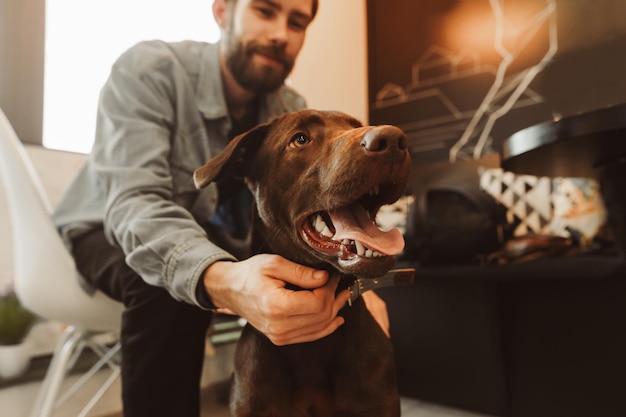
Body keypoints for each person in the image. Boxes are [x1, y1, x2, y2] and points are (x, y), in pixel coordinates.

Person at [53, 0, 389, 416]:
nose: (281, 33)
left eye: (297, 22)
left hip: (213, 239)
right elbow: (135, 203)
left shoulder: (293, 111)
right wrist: (219, 277)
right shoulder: (148, 70)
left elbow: (298, 218)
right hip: (106, 229)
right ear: (222, 11)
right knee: (169, 286)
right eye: (265, 11)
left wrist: (350, 278)